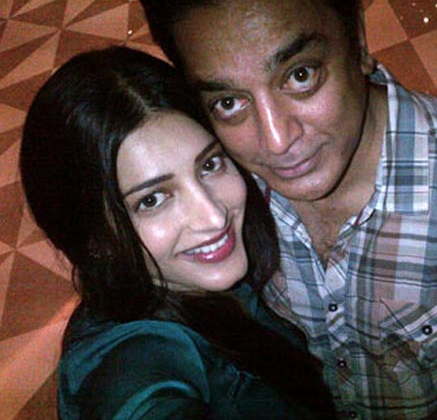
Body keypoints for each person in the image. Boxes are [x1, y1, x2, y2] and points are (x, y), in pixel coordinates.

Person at [134, 0, 437, 418]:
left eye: (301, 74)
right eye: (229, 102)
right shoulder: (216, 189)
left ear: (357, 40)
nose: (276, 142)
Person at [19, 46, 336, 419]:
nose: (214, 217)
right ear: (95, 241)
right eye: (152, 199)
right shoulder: (133, 367)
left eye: (210, 165)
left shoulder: (205, 280)